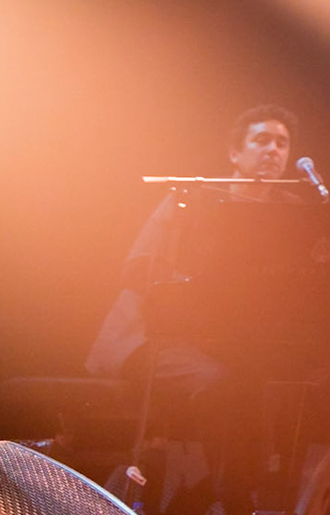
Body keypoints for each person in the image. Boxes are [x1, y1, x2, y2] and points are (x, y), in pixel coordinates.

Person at [86, 105, 303, 388]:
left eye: (282, 144)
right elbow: (136, 268)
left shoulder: (290, 211)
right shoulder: (191, 199)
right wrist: (195, 292)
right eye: (262, 141)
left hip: (226, 343)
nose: (273, 150)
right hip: (145, 339)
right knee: (229, 384)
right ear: (234, 153)